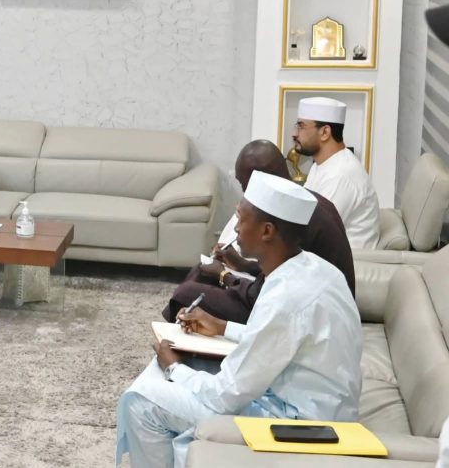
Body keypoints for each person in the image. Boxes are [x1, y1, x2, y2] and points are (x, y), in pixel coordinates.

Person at [116, 171, 362, 468]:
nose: (235, 227)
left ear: (267, 231)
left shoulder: (287, 296)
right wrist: (222, 328)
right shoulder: (316, 269)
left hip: (298, 427)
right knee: (179, 369)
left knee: (141, 400)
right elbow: (283, 342)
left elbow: (226, 396)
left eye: (241, 219)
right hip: (317, 408)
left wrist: (175, 368)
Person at [162, 140, 354, 324]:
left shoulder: (288, 216)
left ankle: (176, 341)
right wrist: (242, 264)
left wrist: (224, 275)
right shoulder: (302, 201)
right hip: (297, 296)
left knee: (187, 293)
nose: (244, 192)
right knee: (202, 271)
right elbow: (281, 269)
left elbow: (262, 293)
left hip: (307, 315)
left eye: (242, 184)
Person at [293, 97, 380, 250]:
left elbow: (314, 233)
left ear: (325, 132)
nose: (294, 134)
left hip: (343, 261)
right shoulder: (321, 164)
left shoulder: (341, 175)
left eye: (301, 126)